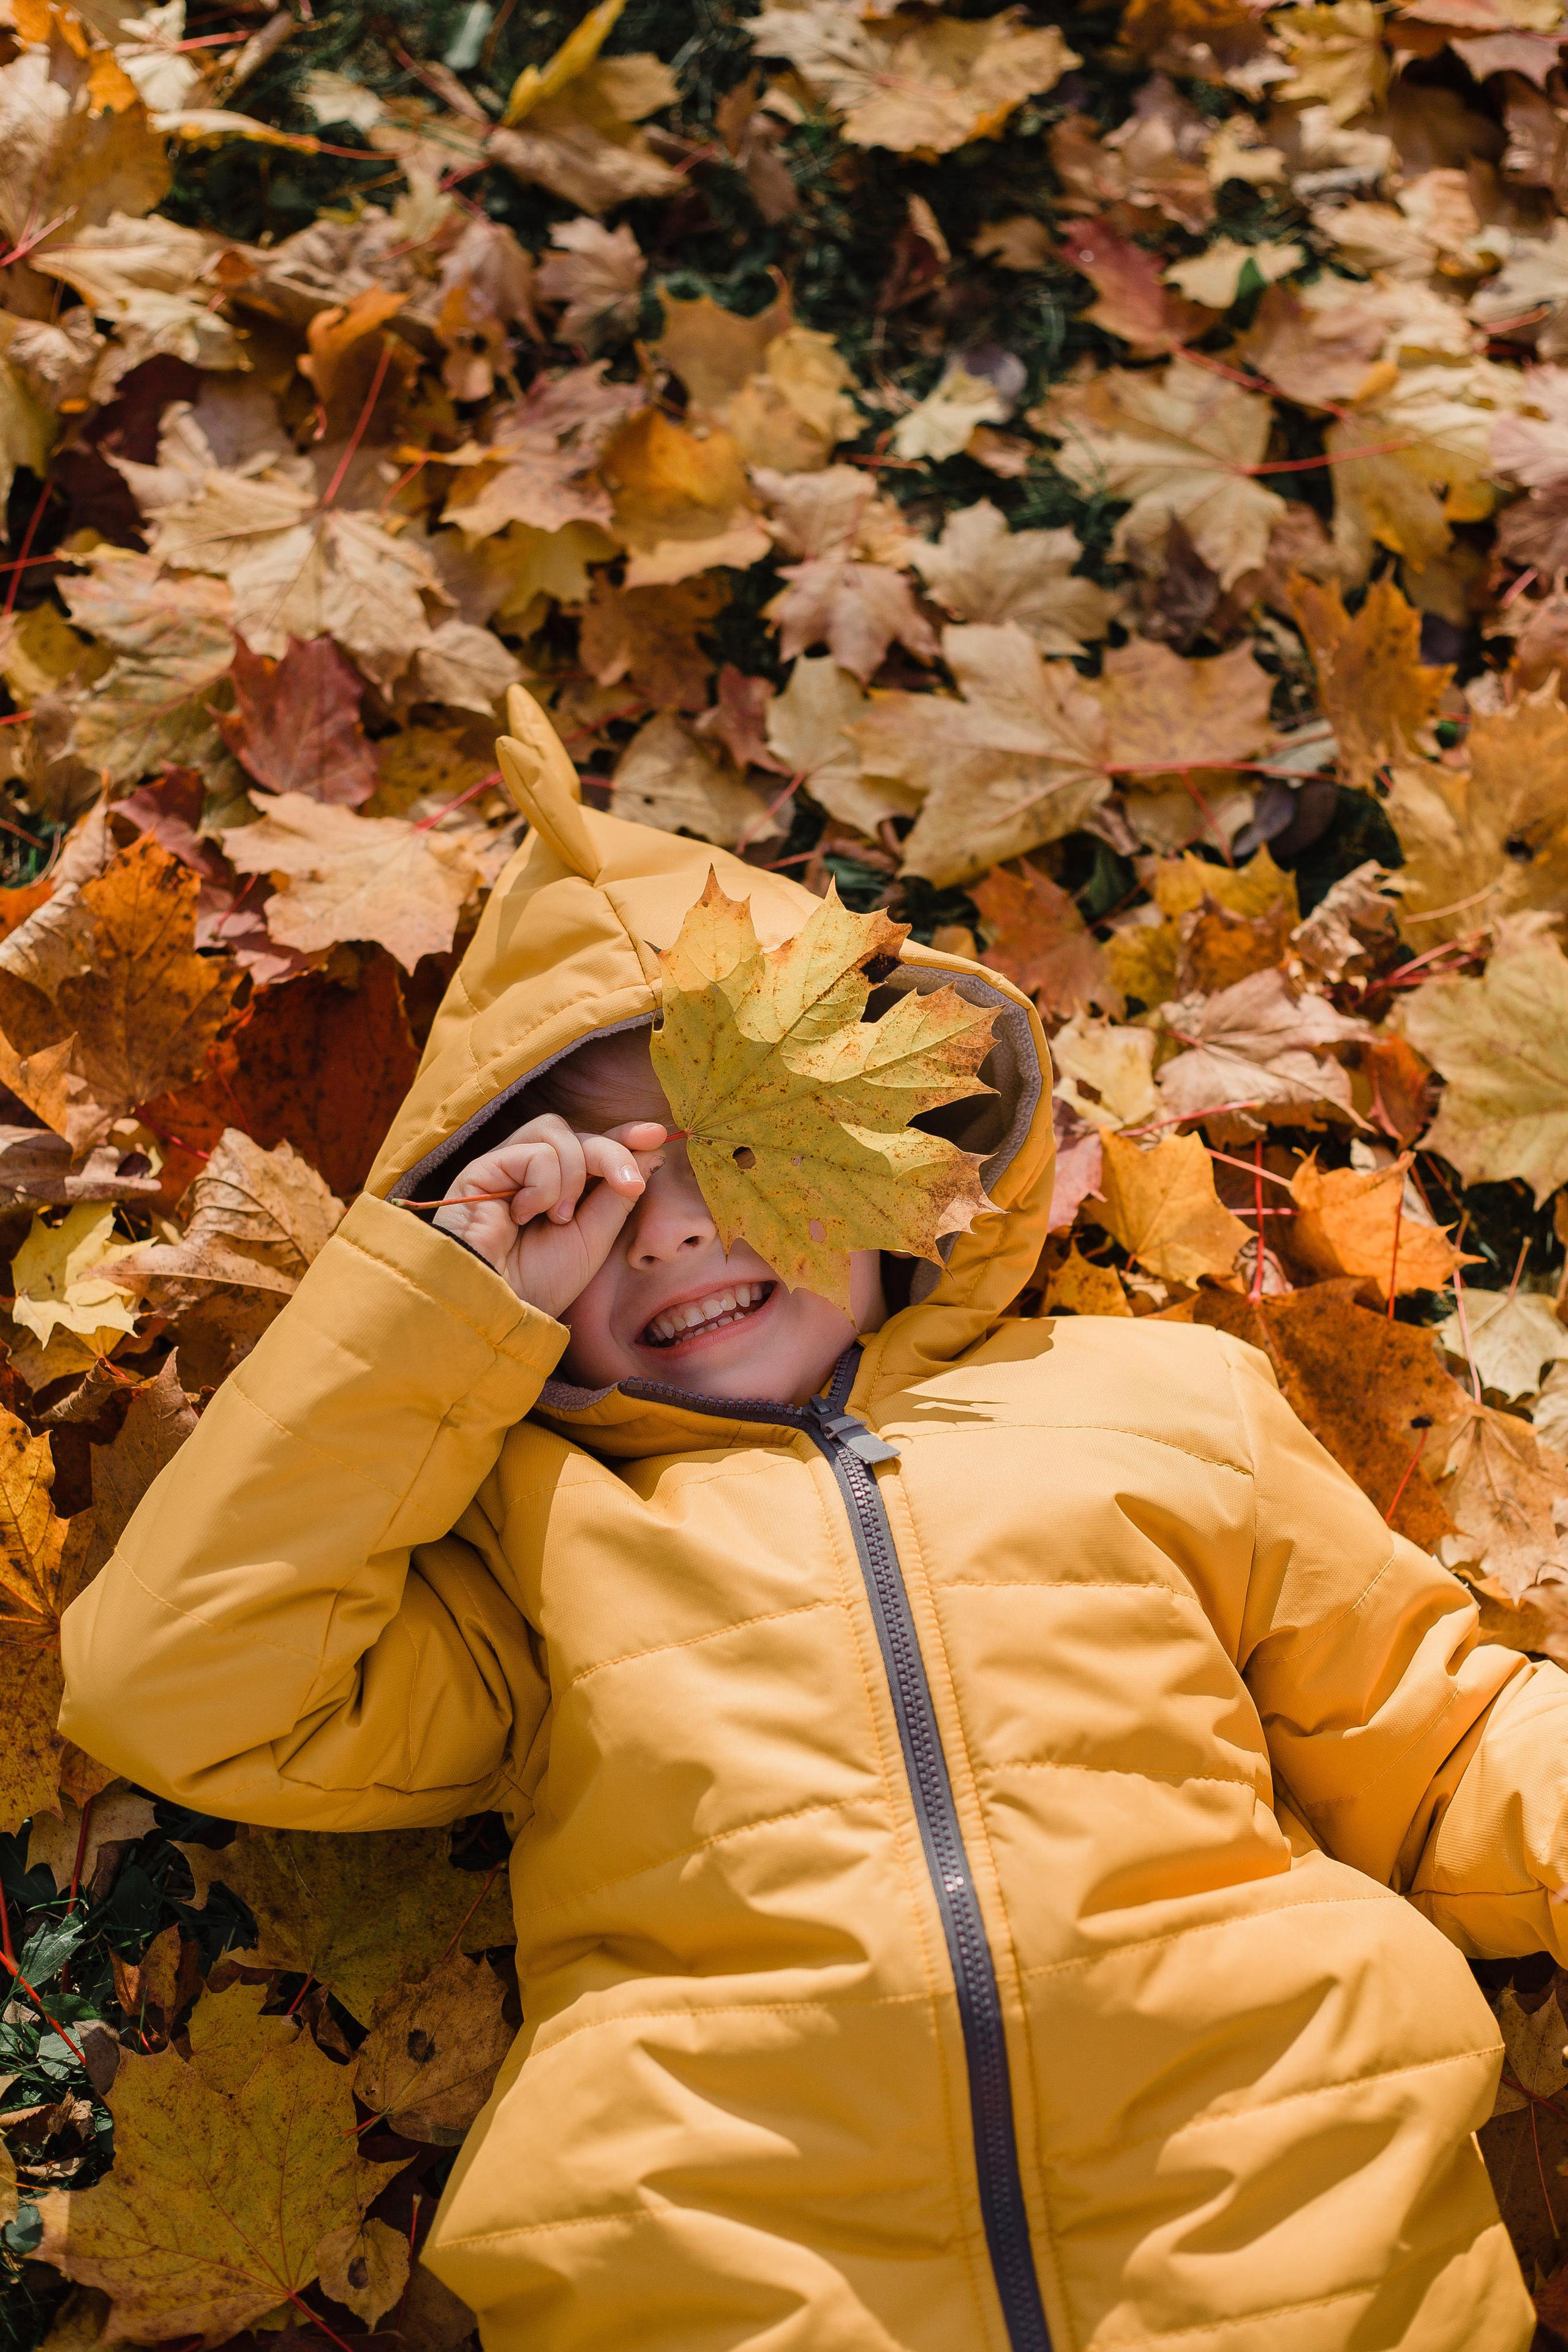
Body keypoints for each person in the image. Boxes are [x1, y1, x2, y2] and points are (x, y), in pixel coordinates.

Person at [60, 690, 1564, 2352]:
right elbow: (173, 1678)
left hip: (1296, 2223)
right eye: (594, 1195)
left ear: (898, 1147)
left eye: (747, 1149)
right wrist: (441, 1314)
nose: (671, 1233)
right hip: (728, 2269)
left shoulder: (1159, 1401)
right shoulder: (534, 1538)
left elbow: (1438, 1747)